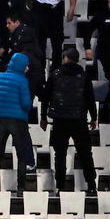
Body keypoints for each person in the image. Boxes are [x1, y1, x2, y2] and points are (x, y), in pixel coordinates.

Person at [40, 48, 98, 195]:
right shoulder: (83, 75)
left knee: (60, 155)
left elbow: (45, 98)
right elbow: (90, 98)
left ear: (65, 58)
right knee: (85, 154)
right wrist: (94, 117)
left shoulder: (55, 74)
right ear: (77, 59)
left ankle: (61, 187)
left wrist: (43, 117)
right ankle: (91, 186)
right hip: (79, 120)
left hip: (59, 120)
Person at [0, 12, 45, 170]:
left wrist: (0, 67)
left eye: (9, 23)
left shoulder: (26, 53)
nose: (7, 26)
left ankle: (28, 161)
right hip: (16, 103)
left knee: (20, 130)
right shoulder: (25, 53)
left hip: (18, 101)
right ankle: (27, 161)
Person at [0, 52, 32, 196]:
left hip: (1, 120)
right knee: (21, 156)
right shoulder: (22, 81)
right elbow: (26, 104)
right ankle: (21, 189)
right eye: (26, 65)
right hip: (18, 122)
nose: (27, 68)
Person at [83, 0, 110, 123]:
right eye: (109, 2)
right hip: (106, 55)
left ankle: (104, 112)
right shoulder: (102, 15)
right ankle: (105, 113)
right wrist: (87, 47)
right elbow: (88, 30)